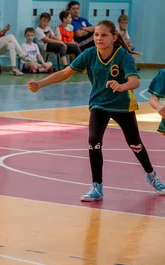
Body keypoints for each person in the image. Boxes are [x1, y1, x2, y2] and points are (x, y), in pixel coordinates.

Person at [27, 20, 164, 200]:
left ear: (114, 37)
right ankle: (97, 187)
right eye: (96, 35)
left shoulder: (122, 55)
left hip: (122, 105)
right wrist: (40, 83)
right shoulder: (90, 54)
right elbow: (65, 72)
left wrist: (121, 86)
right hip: (99, 104)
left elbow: (135, 82)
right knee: (94, 141)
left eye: (104, 35)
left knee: (135, 144)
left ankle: (151, 175)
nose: (99, 38)